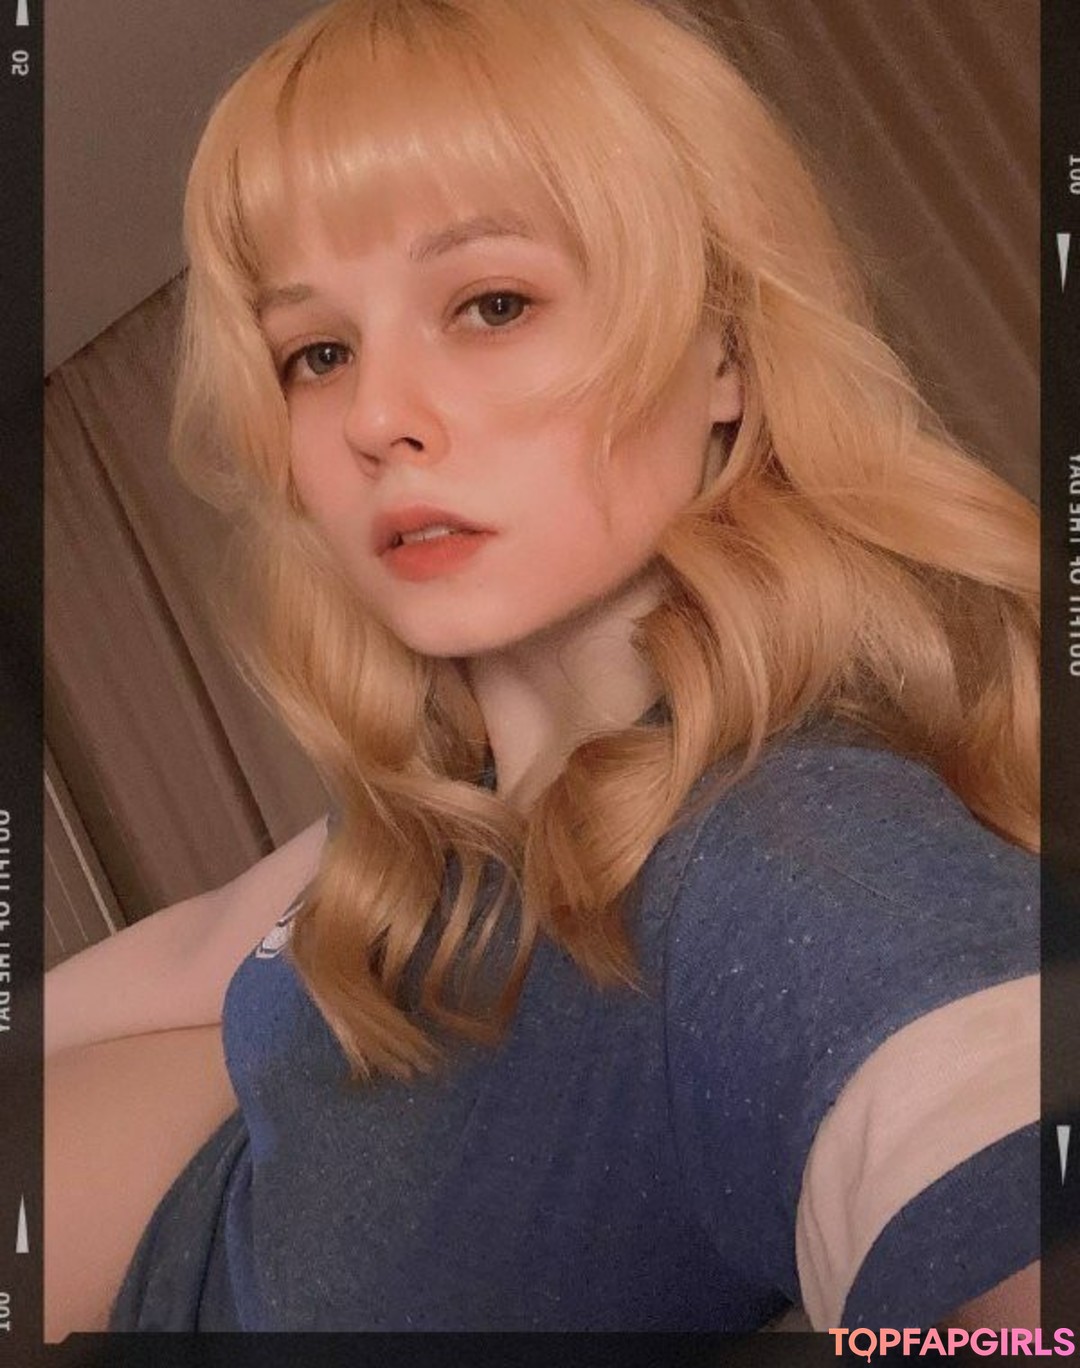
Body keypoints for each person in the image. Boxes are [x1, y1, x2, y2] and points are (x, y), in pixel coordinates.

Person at [44, 0, 1039, 1337]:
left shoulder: (788, 868)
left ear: (724, 350)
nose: (374, 417)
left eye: (492, 304)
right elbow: (219, 937)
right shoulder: (458, 794)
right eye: (317, 354)